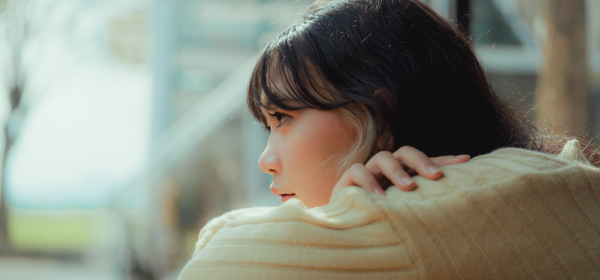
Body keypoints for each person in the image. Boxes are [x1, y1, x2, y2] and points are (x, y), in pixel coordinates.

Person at [178, 0, 600, 279]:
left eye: (284, 117)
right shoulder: (543, 182)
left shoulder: (404, 219)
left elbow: (211, 267)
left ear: (378, 115)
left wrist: (354, 216)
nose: (266, 159)